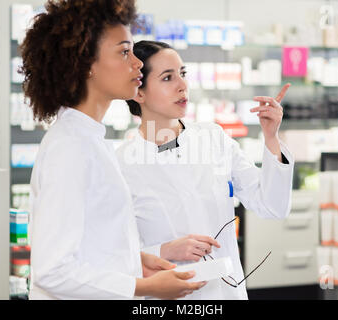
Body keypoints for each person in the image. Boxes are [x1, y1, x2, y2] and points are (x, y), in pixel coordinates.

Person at [20, 1, 205, 300]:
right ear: (86, 64)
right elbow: (51, 271)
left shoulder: (89, 138)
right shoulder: (70, 148)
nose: (138, 63)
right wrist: (142, 287)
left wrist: (134, 262)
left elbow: (92, 243)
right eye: (124, 51)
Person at [116, 40, 295, 299]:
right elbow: (114, 254)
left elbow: (272, 206)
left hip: (226, 292)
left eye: (183, 74)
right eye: (168, 78)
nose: (182, 85)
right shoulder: (122, 165)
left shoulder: (214, 139)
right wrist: (164, 251)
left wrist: (271, 138)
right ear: (139, 93)